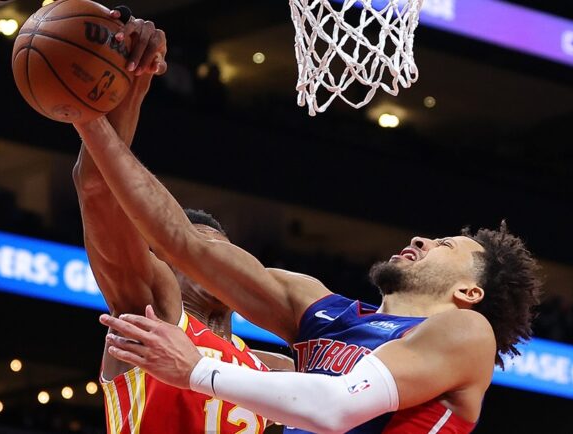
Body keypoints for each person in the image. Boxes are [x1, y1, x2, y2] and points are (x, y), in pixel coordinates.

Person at [73, 28, 542, 434]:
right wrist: (97, 105)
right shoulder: (321, 316)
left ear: (469, 290)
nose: (422, 239)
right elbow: (180, 238)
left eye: (444, 245)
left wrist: (198, 370)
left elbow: (335, 408)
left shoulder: (466, 332)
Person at [73, 11, 290, 434]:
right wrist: (127, 90)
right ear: (163, 265)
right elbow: (98, 190)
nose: (215, 259)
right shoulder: (151, 317)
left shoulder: (279, 367)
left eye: (221, 248)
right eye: (196, 249)